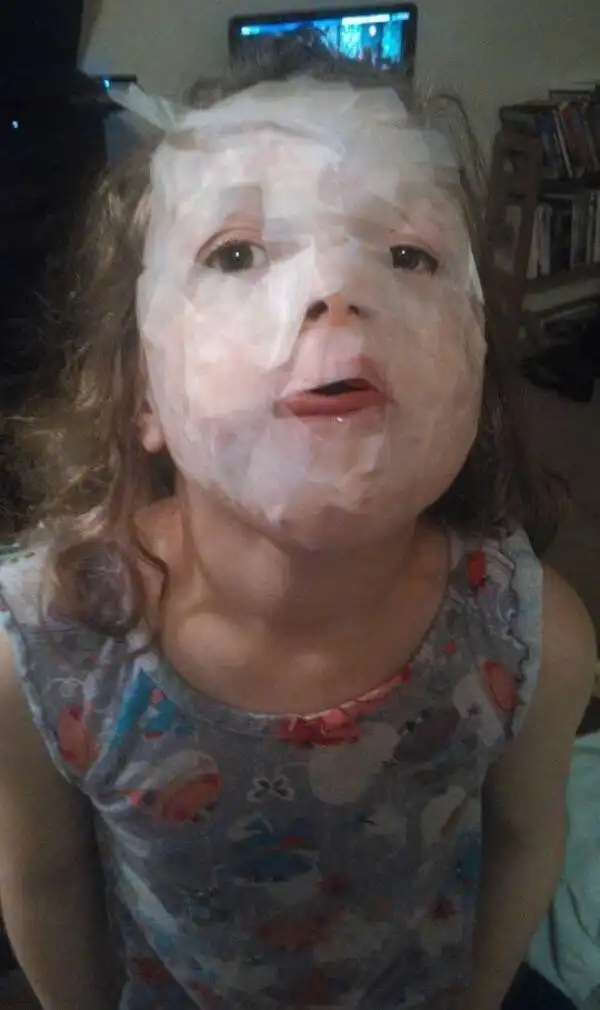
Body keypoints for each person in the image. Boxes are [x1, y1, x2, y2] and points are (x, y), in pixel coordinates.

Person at [0, 40, 595, 1010]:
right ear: (142, 388)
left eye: (407, 255)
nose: (336, 292)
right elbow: (44, 880)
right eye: (235, 254)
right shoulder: (43, 648)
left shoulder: (534, 640)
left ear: (475, 361)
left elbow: (528, 840)